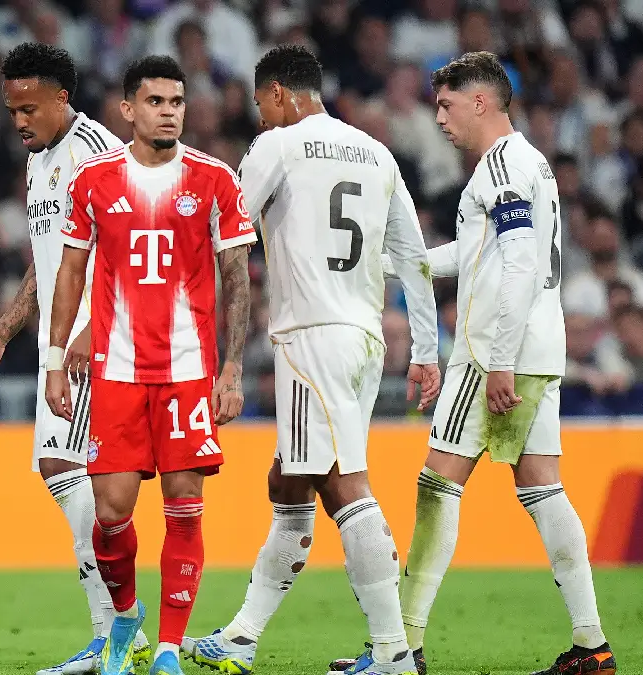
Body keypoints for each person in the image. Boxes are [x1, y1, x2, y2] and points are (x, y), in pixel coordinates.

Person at [333, 51, 616, 675]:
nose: (439, 117)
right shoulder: (527, 162)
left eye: (447, 104)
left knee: (437, 485)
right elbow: (475, 253)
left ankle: (400, 647)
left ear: (480, 101)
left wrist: (501, 362)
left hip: (493, 353)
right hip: (538, 348)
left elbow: (517, 263)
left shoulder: (504, 166)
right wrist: (392, 264)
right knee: (543, 488)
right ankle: (592, 645)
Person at [183, 45, 440, 675]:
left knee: (342, 483)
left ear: (277, 93)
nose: (260, 115)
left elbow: (225, 233)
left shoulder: (276, 146)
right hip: (365, 338)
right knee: (289, 483)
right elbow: (413, 258)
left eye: (261, 103)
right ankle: (241, 637)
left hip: (310, 337)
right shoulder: (375, 152)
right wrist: (427, 349)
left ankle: (392, 652)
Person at [45, 55, 254, 675]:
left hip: (188, 370)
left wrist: (233, 368)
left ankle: (167, 648)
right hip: (115, 370)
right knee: (110, 512)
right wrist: (55, 359)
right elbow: (71, 272)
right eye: (156, 101)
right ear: (128, 109)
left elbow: (238, 279)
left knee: (184, 504)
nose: (169, 112)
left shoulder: (215, 179)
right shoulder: (93, 179)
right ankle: (126, 615)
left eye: (177, 102)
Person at [0, 41, 150, 675]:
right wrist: (1, 334)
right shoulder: (38, 162)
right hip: (59, 344)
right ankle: (118, 627)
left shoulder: (96, 150)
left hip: (103, 340)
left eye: (29, 108)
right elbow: (49, 260)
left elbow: (133, 244)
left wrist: (95, 327)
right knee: (65, 472)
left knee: (74, 471)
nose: (19, 121)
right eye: (12, 110)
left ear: (61, 98)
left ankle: (117, 630)